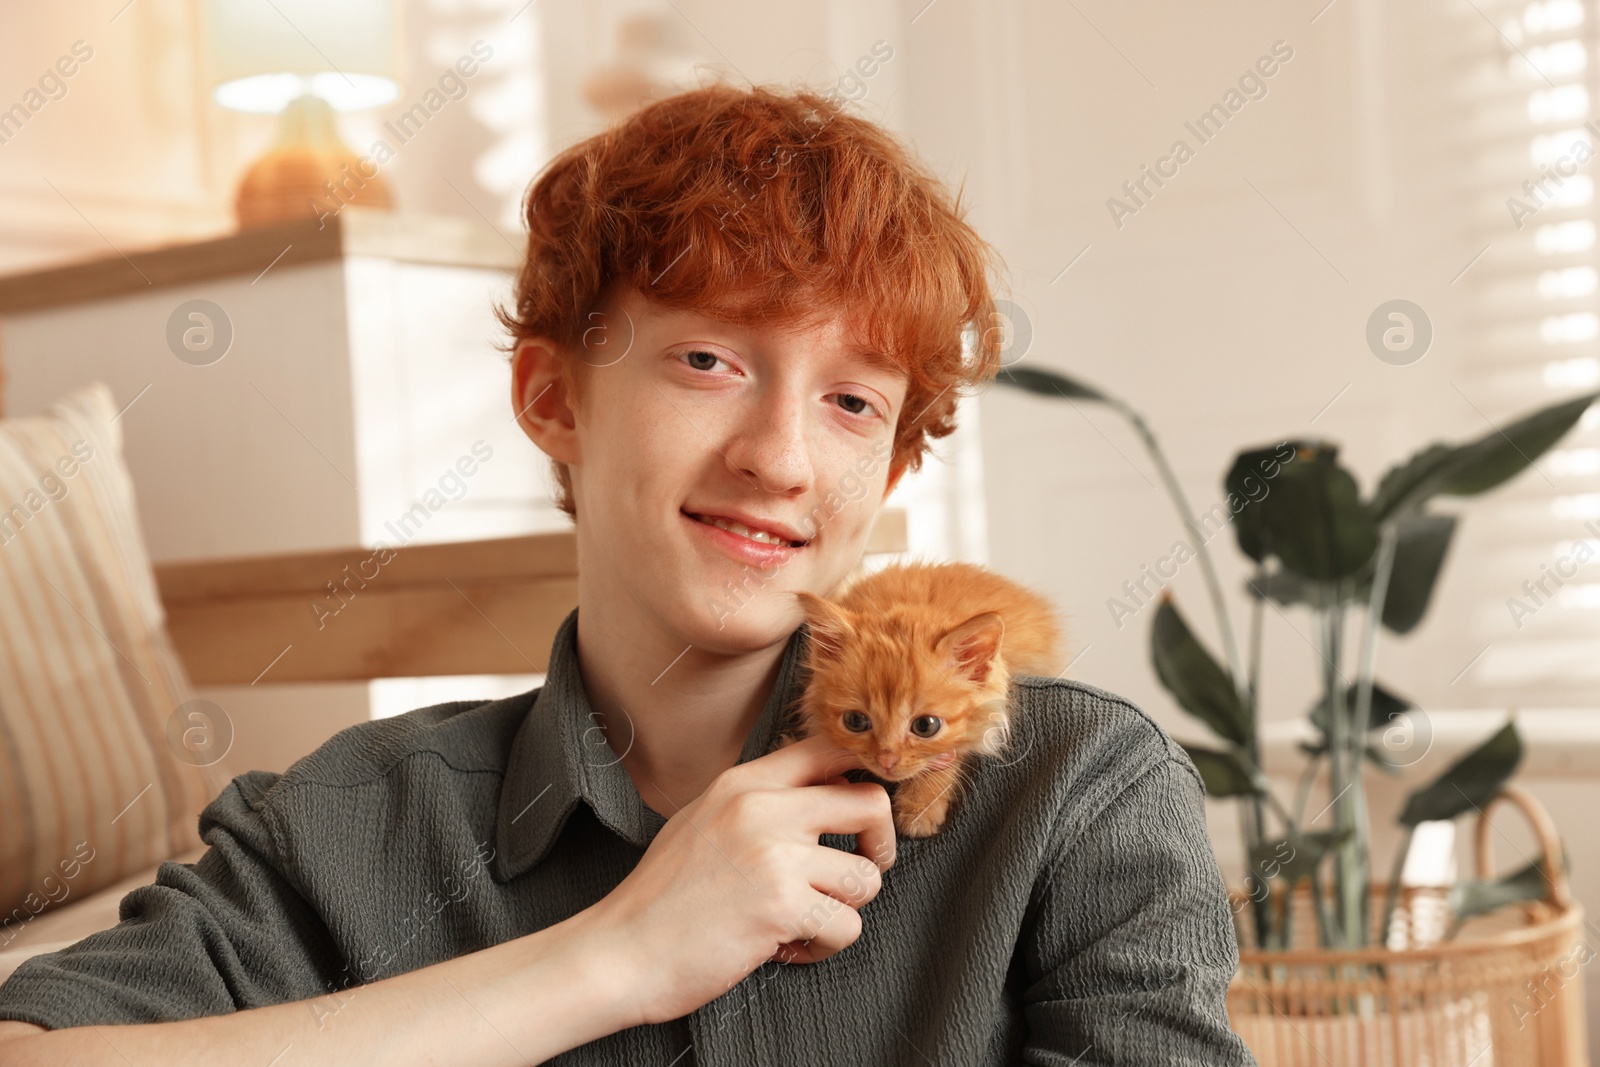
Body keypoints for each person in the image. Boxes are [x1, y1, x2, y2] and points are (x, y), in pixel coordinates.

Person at [0, 81, 1255, 1065]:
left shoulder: (1073, 797)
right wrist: (611, 957)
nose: (776, 457)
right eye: (708, 360)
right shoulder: (343, 827)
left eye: (852, 400)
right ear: (551, 396)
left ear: (893, 463)